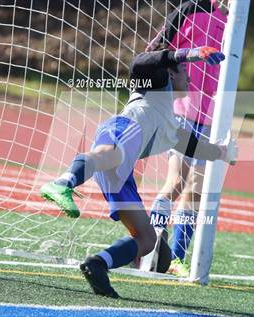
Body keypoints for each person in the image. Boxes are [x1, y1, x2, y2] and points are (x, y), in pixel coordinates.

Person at [40, 47, 237, 298]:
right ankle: (62, 183)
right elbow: (140, 62)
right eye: (185, 72)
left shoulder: (169, 123)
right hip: (122, 130)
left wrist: (222, 153)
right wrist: (190, 54)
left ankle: (97, 265)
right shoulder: (155, 84)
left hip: (121, 173)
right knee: (107, 154)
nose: (189, 78)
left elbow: (193, 145)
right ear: (169, 72)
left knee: (147, 239)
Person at [146, 0, 229, 277]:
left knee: (195, 188)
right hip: (182, 108)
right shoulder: (191, 10)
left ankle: (175, 259)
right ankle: (147, 247)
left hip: (213, 116)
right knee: (177, 181)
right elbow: (156, 51)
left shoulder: (233, 23)